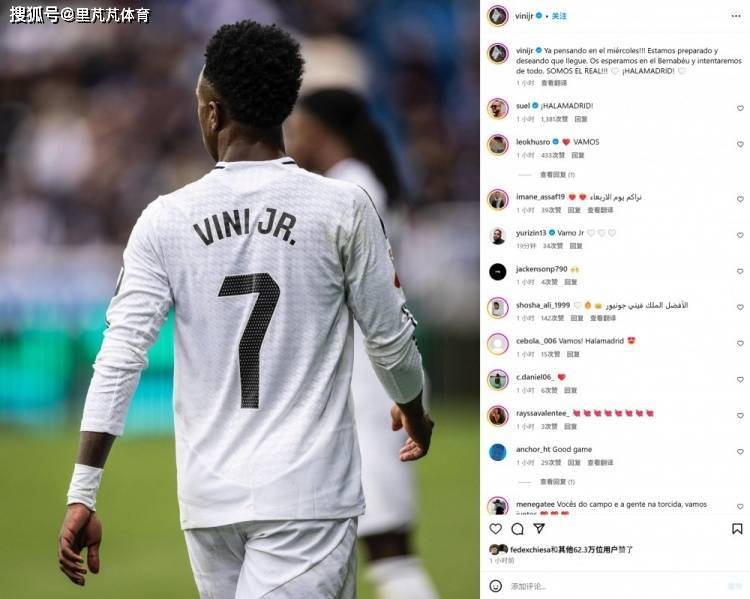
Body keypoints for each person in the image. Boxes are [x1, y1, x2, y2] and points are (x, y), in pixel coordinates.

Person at [57, 21, 434, 599]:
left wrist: (83, 490)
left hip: (209, 502)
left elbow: (120, 356)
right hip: (308, 497)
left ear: (212, 113)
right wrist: (413, 408)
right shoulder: (341, 206)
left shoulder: (165, 218)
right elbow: (389, 338)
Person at [287, 88, 439, 599]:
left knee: (388, 548)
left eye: (297, 128)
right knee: (323, 552)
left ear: (319, 131)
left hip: (369, 386)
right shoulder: (359, 183)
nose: (289, 140)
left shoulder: (350, 187)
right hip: (362, 381)